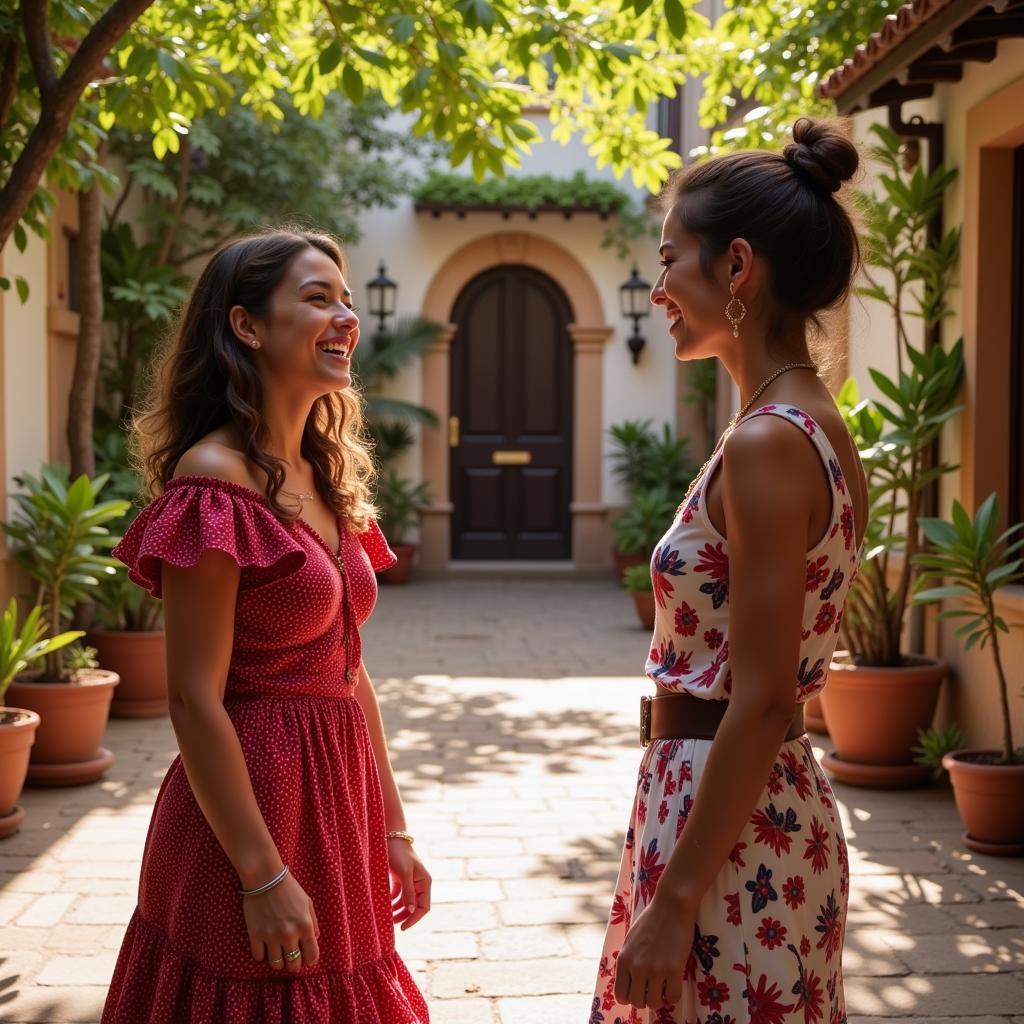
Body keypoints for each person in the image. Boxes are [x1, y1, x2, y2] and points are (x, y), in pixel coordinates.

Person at [102, 229, 430, 1023]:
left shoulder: (323, 475)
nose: (346, 316)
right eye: (319, 298)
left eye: (346, 299)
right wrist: (261, 874)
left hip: (336, 804)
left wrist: (394, 827)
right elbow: (191, 699)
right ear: (247, 325)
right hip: (251, 813)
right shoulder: (213, 481)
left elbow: (347, 668)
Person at [592, 118, 867, 1024]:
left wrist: (673, 902)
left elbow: (759, 698)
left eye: (671, 259)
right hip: (751, 811)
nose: (659, 284)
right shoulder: (807, 423)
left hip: (729, 831)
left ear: (737, 266)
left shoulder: (766, 442)